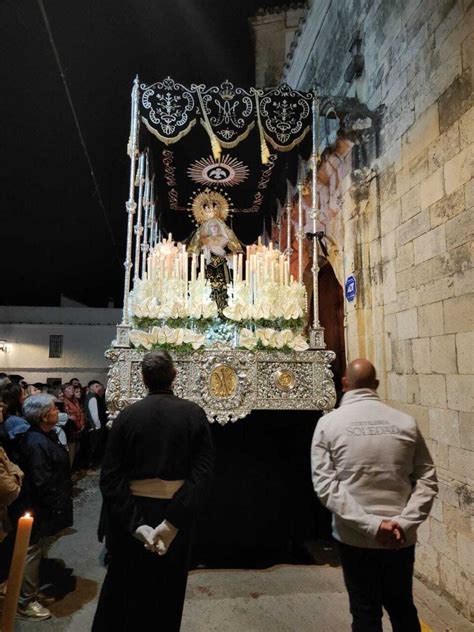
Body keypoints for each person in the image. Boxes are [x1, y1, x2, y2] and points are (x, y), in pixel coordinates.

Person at [311, 359, 438, 632]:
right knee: (402, 607)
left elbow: (326, 486)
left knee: (365, 610)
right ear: (377, 385)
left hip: (354, 536)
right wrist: (403, 523)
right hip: (400, 538)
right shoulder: (406, 422)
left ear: (344, 383)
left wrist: (371, 525)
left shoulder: (328, 425)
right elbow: (427, 479)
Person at [92, 351, 214, 631]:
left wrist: (137, 526)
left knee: (124, 590)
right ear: (174, 375)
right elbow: (203, 474)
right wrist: (172, 523)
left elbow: (110, 478)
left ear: (143, 378)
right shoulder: (193, 414)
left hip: (133, 512)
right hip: (175, 515)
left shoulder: (127, 416)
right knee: (167, 593)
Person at [9, 394, 72, 620]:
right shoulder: (36, 442)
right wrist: (55, 506)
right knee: (31, 553)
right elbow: (41, 481)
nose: (58, 411)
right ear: (44, 416)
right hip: (36, 507)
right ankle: (25, 601)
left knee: (37, 551)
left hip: (44, 507)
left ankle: (31, 592)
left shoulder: (46, 436)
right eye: (55, 409)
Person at [84, 381, 108, 467]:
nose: (99, 388)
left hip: (96, 426)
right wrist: (97, 426)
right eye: (96, 386)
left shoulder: (93, 396)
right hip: (96, 427)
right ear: (91, 388)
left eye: (99, 386)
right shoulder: (92, 398)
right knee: (94, 447)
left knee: (95, 447)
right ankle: (92, 466)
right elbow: (94, 414)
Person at [62, 382, 85, 467]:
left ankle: (72, 470)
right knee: (70, 453)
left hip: (78, 428)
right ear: (64, 391)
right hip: (71, 429)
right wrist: (78, 425)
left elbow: (80, 413)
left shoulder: (75, 400)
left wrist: (82, 424)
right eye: (68, 388)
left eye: (72, 388)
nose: (71, 389)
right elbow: (71, 417)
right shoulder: (64, 401)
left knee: (76, 451)